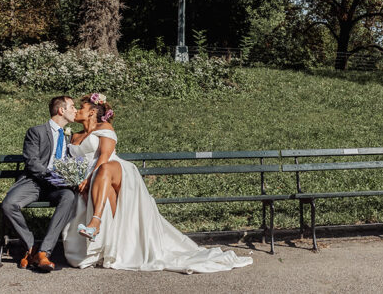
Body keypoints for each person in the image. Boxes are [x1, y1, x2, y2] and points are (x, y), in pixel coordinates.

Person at [62, 93, 253, 272]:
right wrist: (77, 179)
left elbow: (104, 156)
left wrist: (87, 179)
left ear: (93, 111)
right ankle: (108, 246)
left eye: (80, 107)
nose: (76, 111)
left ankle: (94, 223)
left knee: (103, 170)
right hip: (92, 181)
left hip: (115, 171)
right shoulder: (74, 135)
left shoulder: (105, 129)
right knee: (100, 183)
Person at [1, 95, 79, 271]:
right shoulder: (36, 132)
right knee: (9, 205)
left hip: (58, 188)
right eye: (72, 107)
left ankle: (44, 252)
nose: (76, 110)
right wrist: (53, 175)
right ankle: (31, 248)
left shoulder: (70, 135)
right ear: (61, 110)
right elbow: (32, 162)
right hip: (34, 182)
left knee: (68, 197)